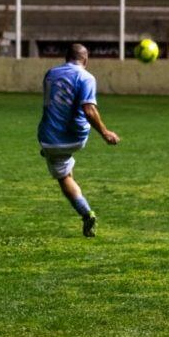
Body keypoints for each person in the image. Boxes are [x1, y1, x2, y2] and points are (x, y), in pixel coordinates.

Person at [37, 42, 120, 237]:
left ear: (66, 58)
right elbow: (88, 109)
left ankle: (86, 213)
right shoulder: (86, 77)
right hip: (77, 136)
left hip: (51, 138)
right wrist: (105, 133)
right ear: (86, 59)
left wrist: (105, 132)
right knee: (65, 165)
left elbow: (81, 108)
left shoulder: (50, 74)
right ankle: (60, 160)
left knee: (63, 177)